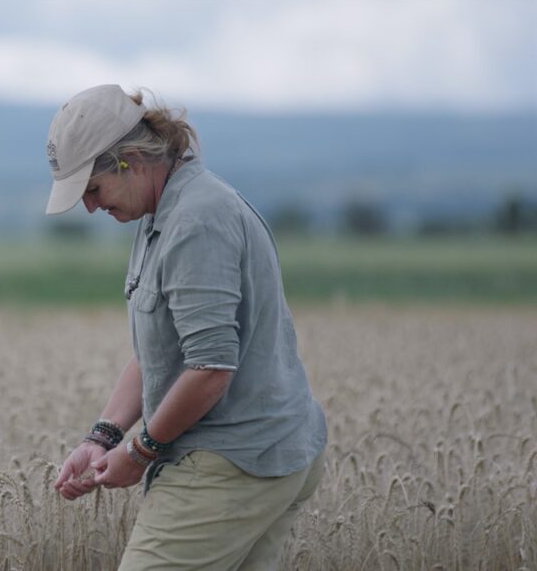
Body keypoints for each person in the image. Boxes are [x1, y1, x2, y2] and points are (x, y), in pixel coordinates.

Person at [47, 84, 328, 570]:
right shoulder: (161, 213)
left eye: (93, 189)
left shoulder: (196, 220)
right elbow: (158, 354)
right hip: (261, 453)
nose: (90, 207)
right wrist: (102, 439)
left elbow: (210, 368)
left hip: (231, 461)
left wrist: (139, 454)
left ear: (131, 158)